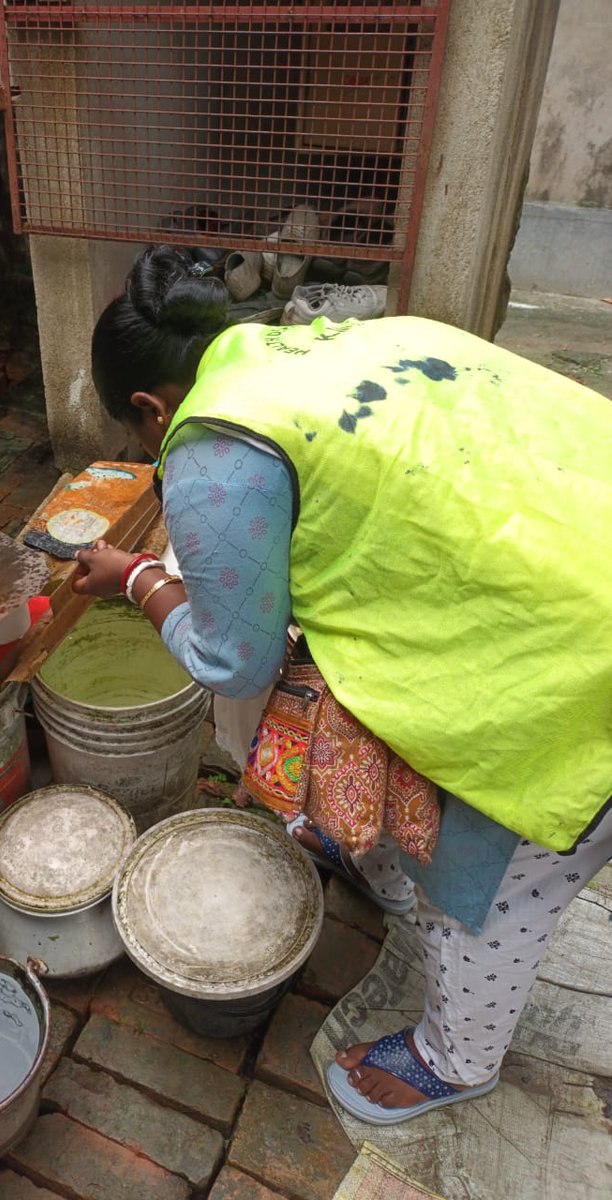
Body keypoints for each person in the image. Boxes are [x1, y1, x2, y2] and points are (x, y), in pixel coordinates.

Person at [72, 245, 612, 1125]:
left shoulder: (214, 443)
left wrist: (139, 578)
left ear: (149, 407)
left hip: (574, 659)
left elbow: (234, 660)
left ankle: (458, 1056)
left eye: (144, 439)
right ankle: (381, 864)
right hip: (575, 521)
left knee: (490, 876)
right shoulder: (333, 345)